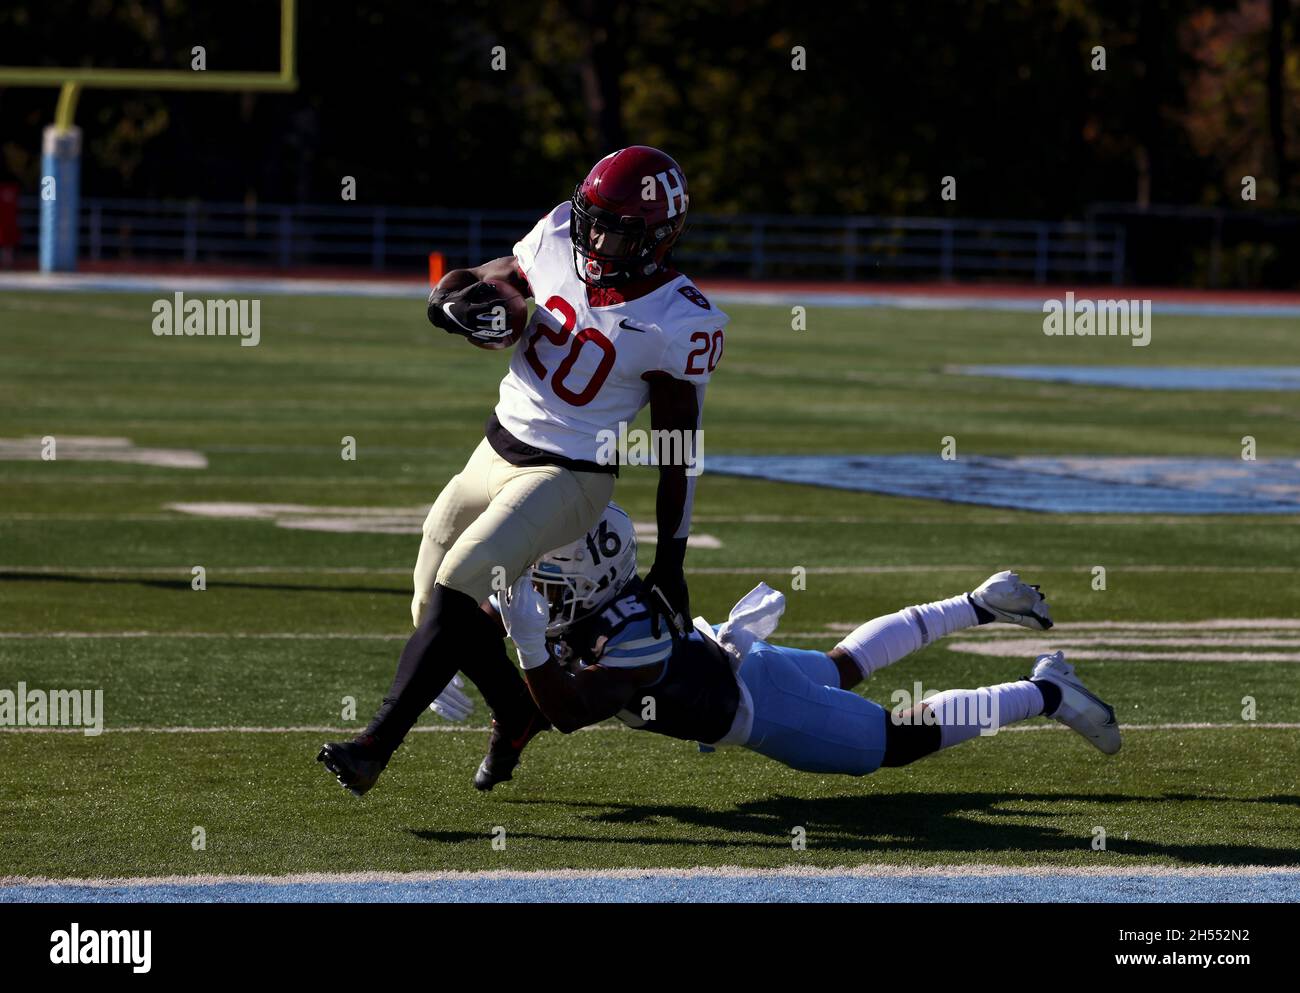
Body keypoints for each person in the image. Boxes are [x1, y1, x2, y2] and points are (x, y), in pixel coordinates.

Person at [319, 148, 728, 796]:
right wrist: (455, 301)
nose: (593, 238)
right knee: (430, 601)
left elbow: (678, 442)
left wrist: (672, 558)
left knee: (458, 585)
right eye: (592, 220)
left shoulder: (679, 317)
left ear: (657, 237)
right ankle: (517, 712)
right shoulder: (561, 232)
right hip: (494, 447)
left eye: (614, 229)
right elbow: (488, 282)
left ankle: (374, 745)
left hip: (570, 475)